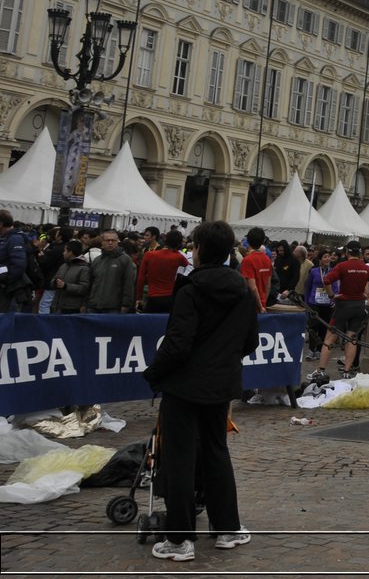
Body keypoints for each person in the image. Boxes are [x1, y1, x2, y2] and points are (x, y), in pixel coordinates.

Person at [141, 219, 257, 563]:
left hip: (185, 384)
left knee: (179, 459)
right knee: (216, 453)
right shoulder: (243, 291)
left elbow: (178, 344)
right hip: (220, 384)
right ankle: (226, 529)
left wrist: (153, 372)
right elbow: (250, 341)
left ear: (200, 250)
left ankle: (179, 539)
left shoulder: (190, 290)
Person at [312, 242, 369, 379]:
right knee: (352, 338)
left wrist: (331, 296)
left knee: (330, 338)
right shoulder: (364, 268)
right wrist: (368, 295)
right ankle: (347, 372)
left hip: (343, 305)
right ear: (360, 253)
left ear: (347, 253)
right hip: (359, 306)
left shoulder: (342, 266)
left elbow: (326, 281)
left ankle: (321, 370)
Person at [135, 230, 189, 314]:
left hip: (152, 296)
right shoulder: (178, 257)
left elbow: (141, 278)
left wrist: (139, 297)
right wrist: (175, 250)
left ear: (165, 240)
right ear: (179, 243)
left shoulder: (149, 255)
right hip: (169, 296)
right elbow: (186, 263)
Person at [86, 229, 136, 313]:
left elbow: (129, 284)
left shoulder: (125, 260)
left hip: (113, 308)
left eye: (113, 240)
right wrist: (85, 303)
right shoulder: (97, 260)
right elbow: (90, 283)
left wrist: (126, 305)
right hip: (93, 306)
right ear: (102, 242)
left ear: (117, 242)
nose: (110, 243)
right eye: (107, 240)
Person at [0, 211, 30, 313]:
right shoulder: (5, 238)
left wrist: (5, 279)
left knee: (6, 319)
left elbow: (19, 265)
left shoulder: (14, 238)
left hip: (8, 289)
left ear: (1, 224)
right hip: (5, 286)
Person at [238, 228, 274, 311]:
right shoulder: (267, 259)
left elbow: (252, 287)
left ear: (248, 241)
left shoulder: (247, 260)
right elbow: (268, 285)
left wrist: (260, 306)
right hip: (262, 303)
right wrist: (263, 303)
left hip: (251, 305)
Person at [51, 239, 91, 313]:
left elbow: (84, 288)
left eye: (65, 251)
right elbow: (54, 279)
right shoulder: (64, 265)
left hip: (71, 308)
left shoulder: (84, 268)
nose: (63, 253)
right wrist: (55, 282)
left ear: (71, 252)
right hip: (57, 305)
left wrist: (66, 286)